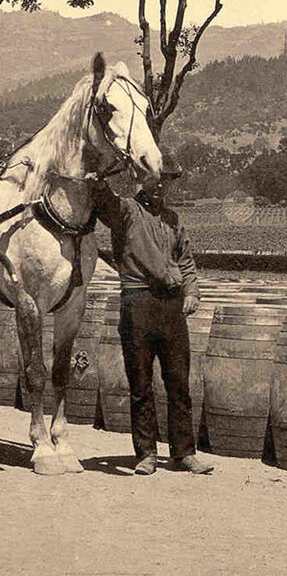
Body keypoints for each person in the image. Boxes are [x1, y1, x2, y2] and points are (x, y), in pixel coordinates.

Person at [91, 152, 214, 476]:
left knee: (179, 382)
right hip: (138, 302)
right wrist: (99, 181)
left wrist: (192, 291)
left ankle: (184, 453)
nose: (160, 186)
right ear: (141, 179)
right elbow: (106, 202)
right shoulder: (126, 211)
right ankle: (146, 453)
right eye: (155, 178)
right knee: (141, 382)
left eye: (167, 180)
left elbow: (185, 260)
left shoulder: (174, 220)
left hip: (171, 306)